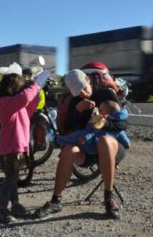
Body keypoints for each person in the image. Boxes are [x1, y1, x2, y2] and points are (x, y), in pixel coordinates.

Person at [34, 68, 128, 220]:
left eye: (85, 88)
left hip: (112, 147)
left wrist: (103, 123)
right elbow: (69, 128)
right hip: (88, 148)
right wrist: (77, 111)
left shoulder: (106, 94)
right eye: (78, 92)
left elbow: (123, 124)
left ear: (89, 81)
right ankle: (55, 201)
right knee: (68, 150)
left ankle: (108, 198)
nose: (83, 93)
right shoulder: (75, 100)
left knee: (104, 141)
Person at [0, 62, 50, 223]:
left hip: (17, 147)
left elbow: (28, 106)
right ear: (13, 88)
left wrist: (37, 95)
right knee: (11, 179)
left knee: (13, 177)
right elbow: (26, 97)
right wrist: (37, 84)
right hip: (11, 148)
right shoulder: (5, 103)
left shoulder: (14, 105)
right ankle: (2, 209)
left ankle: (16, 204)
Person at [56, 99, 131, 155]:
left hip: (93, 145)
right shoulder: (116, 123)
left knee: (77, 135)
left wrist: (85, 136)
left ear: (108, 113)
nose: (98, 111)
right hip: (102, 146)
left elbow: (92, 131)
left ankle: (60, 140)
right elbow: (123, 136)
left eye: (101, 110)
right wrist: (127, 144)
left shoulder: (101, 121)